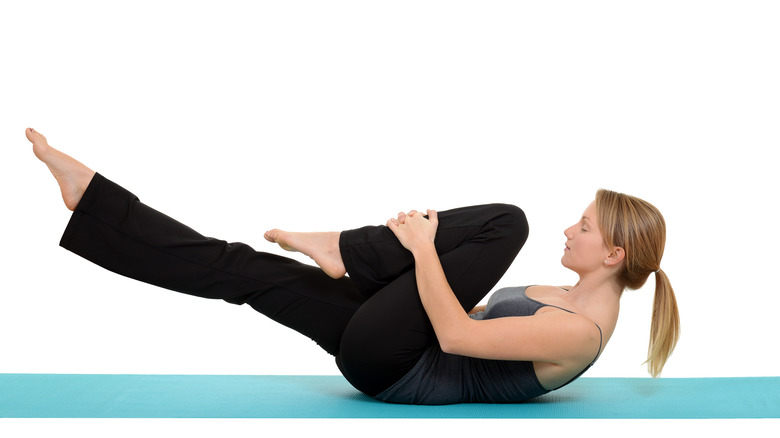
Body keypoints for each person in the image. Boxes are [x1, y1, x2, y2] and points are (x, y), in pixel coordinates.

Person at [24, 127, 680, 405]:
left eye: (586, 227)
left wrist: (421, 252)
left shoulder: (579, 332)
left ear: (615, 255)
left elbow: (456, 336)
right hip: (396, 340)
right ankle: (96, 203)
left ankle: (347, 248)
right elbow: (465, 313)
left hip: (396, 367)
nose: (572, 228)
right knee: (244, 270)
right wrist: (414, 271)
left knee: (507, 221)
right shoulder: (556, 293)